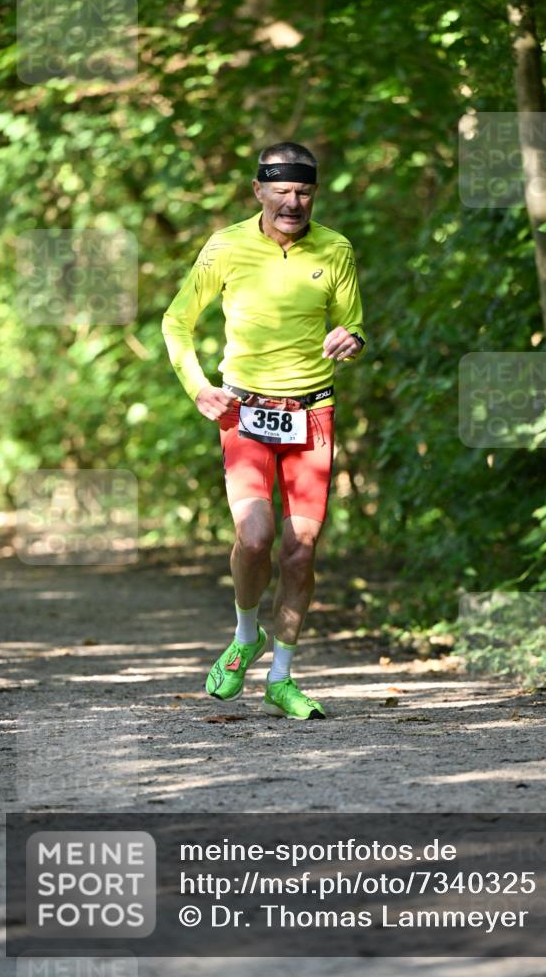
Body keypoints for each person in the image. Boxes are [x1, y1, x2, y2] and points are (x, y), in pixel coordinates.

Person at [162, 141, 366, 720]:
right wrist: (199, 386)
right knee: (255, 537)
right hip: (245, 414)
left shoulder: (336, 249)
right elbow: (177, 319)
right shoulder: (225, 246)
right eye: (280, 191)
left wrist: (351, 339)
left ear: (314, 194)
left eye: (303, 191)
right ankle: (245, 634)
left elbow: (352, 322)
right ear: (258, 191)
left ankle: (282, 676)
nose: (292, 203)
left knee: (301, 553)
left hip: (313, 414)